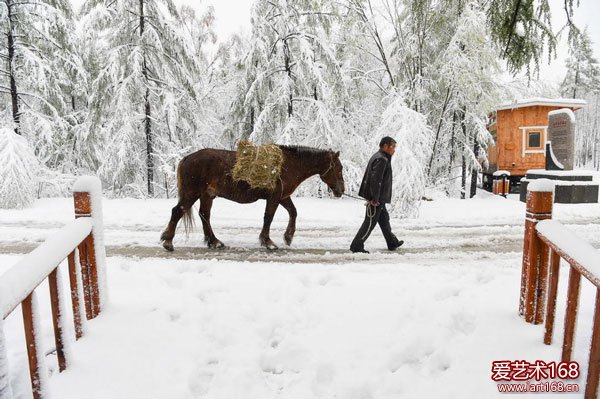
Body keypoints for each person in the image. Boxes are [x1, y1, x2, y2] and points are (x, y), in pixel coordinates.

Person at [350, 137, 404, 254]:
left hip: (379, 197)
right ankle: (356, 245)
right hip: (376, 198)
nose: (394, 150)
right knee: (369, 223)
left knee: (384, 220)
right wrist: (374, 198)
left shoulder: (380, 156)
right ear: (385, 146)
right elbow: (376, 180)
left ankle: (392, 242)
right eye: (393, 147)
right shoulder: (382, 159)